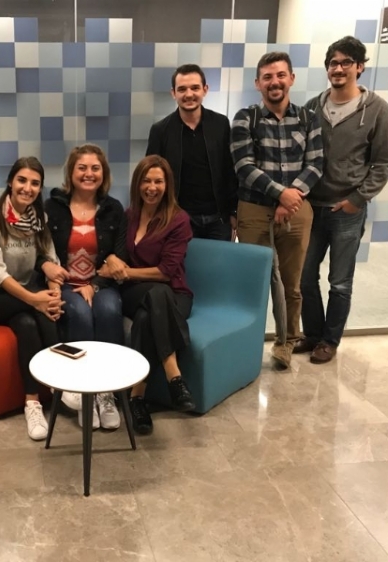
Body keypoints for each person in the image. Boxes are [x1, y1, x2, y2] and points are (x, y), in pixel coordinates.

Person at [296, 36, 388, 364]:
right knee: (305, 277)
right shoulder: (313, 107)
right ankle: (312, 334)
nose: (338, 69)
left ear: (359, 67)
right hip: (312, 207)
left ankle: (330, 340)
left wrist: (358, 199)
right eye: (333, 63)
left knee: (339, 282)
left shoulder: (377, 109)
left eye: (346, 63)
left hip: (347, 210)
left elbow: (382, 162)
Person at [230, 51, 324, 370]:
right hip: (254, 210)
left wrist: (291, 197)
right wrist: (281, 194)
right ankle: (247, 341)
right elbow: (243, 166)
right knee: (254, 281)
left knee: (291, 283)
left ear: (291, 79)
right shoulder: (246, 118)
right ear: (258, 83)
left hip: (297, 210)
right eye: (267, 77)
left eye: (281, 75)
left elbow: (316, 164)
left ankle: (286, 342)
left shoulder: (309, 118)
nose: (275, 82)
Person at [0, 157, 67, 441]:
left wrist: (54, 292)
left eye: (35, 183)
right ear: (11, 182)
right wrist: (36, 300)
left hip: (20, 294)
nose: (27, 188)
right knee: (36, 309)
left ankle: (32, 402)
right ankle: (62, 382)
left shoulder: (39, 219)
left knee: (27, 323)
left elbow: (50, 259)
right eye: (22, 180)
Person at [98, 155, 194, 435]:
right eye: (146, 181)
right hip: (134, 292)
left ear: (168, 185)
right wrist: (113, 260)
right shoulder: (130, 215)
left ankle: (137, 398)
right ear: (137, 184)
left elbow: (166, 272)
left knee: (146, 316)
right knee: (154, 295)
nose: (152, 187)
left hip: (174, 294)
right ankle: (174, 377)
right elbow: (115, 251)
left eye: (158, 181)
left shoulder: (179, 220)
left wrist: (124, 272)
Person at [42, 144, 127, 430]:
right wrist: (50, 273)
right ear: (71, 172)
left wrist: (95, 285)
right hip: (65, 284)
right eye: (82, 168)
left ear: (104, 174)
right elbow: (40, 249)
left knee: (109, 310)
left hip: (101, 283)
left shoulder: (114, 208)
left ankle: (106, 392)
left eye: (95, 168)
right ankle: (82, 392)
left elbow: (119, 254)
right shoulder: (52, 207)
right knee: (79, 313)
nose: (88, 173)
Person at [146, 64, 238, 241]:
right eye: (182, 89)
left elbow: (230, 170)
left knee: (218, 260)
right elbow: (151, 176)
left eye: (195, 88)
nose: (189, 94)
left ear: (205, 90)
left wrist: (234, 211)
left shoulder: (221, 124)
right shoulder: (160, 130)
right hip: (178, 219)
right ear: (173, 93)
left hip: (219, 219)